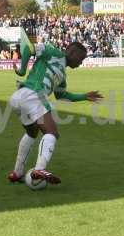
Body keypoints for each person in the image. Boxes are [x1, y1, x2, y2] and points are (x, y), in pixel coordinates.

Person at [8, 41, 103, 184]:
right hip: (33, 94)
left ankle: (17, 173)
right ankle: (39, 169)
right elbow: (28, 48)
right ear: (72, 53)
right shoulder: (53, 52)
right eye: (81, 59)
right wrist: (22, 69)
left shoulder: (62, 76)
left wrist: (84, 96)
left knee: (32, 133)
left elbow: (62, 96)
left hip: (19, 97)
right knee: (52, 133)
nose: (81, 63)